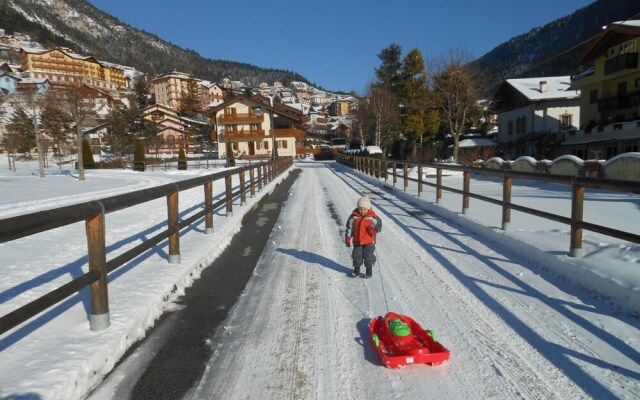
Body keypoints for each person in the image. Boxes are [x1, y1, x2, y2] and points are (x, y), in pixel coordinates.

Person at [345, 195, 382, 278]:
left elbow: (379, 225)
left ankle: (369, 270)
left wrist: (374, 230)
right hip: (357, 241)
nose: (362, 211)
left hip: (369, 241)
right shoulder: (354, 217)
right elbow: (349, 228)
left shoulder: (372, 217)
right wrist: (348, 237)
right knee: (356, 255)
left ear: (368, 208)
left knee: (368, 256)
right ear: (358, 208)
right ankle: (356, 269)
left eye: (365, 209)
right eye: (360, 209)